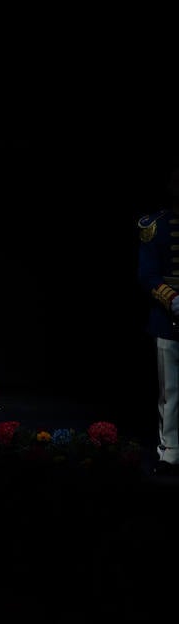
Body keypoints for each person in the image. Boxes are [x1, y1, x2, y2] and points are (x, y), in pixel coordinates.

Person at [138, 167, 179, 477]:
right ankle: (170, 451)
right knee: (170, 391)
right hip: (169, 319)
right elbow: (148, 275)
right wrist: (173, 299)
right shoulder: (157, 226)